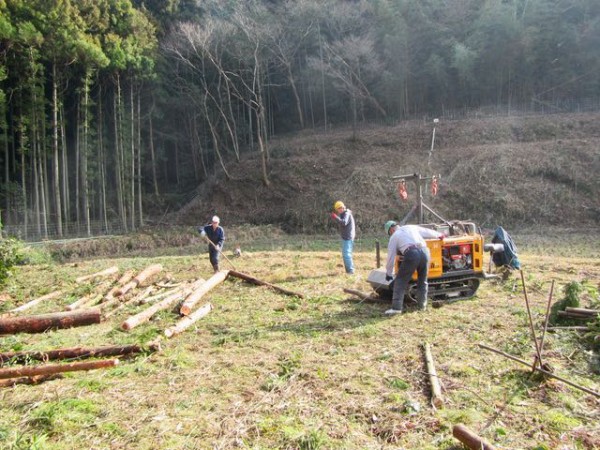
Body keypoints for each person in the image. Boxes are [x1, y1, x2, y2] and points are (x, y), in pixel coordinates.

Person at [383, 220, 444, 315]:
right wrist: (439, 235)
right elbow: (426, 231)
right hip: (425, 252)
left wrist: (389, 274)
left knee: (400, 281)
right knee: (422, 280)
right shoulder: (410, 227)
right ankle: (422, 306)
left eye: (389, 233)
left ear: (391, 230)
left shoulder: (394, 237)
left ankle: (396, 308)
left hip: (412, 254)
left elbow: (391, 257)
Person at [330, 201, 356, 274]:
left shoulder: (347, 213)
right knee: (347, 254)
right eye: (338, 208)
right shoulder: (343, 214)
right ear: (337, 209)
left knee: (346, 254)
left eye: (341, 207)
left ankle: (350, 271)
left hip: (348, 237)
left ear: (344, 207)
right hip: (346, 236)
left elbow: (344, 222)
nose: (340, 209)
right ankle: (350, 271)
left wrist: (335, 217)